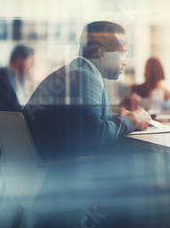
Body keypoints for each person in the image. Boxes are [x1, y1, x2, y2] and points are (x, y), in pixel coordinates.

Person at [23, 21, 150, 160]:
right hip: (59, 171)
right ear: (101, 52)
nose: (125, 62)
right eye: (122, 54)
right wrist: (131, 120)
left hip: (41, 164)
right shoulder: (85, 77)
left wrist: (114, 115)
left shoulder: (71, 73)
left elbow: (76, 121)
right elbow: (94, 136)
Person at [0, 44, 34, 121]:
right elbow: (7, 110)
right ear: (20, 59)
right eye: (30, 61)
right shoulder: (1, 79)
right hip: (1, 125)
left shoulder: (12, 79)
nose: (31, 66)